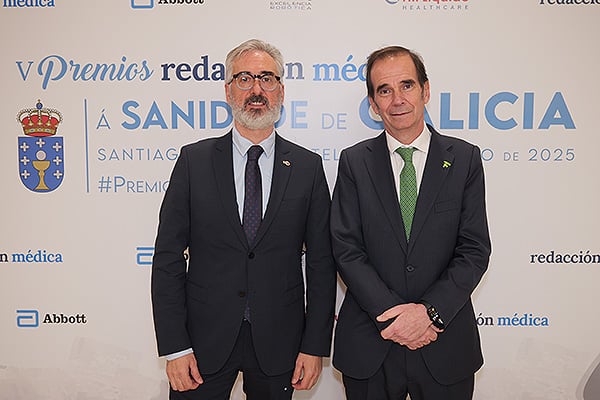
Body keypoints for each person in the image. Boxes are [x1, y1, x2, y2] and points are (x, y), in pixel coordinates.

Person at [151, 39, 337, 400]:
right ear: (228, 90)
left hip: (280, 343)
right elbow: (167, 258)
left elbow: (321, 262)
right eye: (245, 79)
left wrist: (314, 346)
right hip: (201, 343)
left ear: (281, 90)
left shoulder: (307, 167)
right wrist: (174, 347)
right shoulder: (194, 162)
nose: (256, 89)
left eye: (267, 78)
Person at [330, 45, 491, 399]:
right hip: (372, 342)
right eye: (384, 90)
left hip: (445, 343)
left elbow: (474, 249)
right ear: (373, 104)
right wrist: (394, 316)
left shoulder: (464, 158)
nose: (397, 99)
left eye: (406, 85)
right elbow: (346, 249)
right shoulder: (354, 162)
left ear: (426, 90)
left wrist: (429, 314)